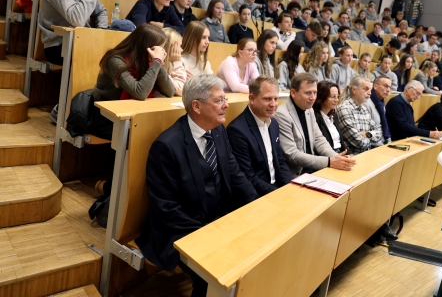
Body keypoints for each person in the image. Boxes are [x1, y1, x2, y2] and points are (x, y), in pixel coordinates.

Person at [135, 75, 258, 297]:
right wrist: (209, 234)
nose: (226, 105)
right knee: (213, 274)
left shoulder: (219, 131)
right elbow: (167, 210)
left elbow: (236, 176)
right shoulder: (166, 146)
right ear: (196, 106)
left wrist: (258, 208)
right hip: (181, 230)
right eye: (219, 100)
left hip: (216, 220)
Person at [89, 22, 174, 139]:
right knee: (143, 136)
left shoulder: (146, 61)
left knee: (162, 130)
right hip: (106, 116)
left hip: (131, 115)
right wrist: (157, 62)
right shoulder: (116, 61)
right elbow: (140, 92)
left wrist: (158, 63)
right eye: (158, 48)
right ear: (147, 47)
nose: (160, 52)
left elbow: (169, 91)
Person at [275, 73, 356, 176]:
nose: (313, 98)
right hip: (296, 173)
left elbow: (319, 140)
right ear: (293, 93)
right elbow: (292, 154)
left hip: (313, 168)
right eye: (308, 93)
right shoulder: (282, 114)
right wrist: (329, 162)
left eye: (315, 92)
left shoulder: (309, 110)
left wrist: (337, 158)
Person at [226, 76, 293, 196]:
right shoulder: (237, 130)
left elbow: (280, 161)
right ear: (252, 98)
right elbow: (248, 177)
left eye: (276, 99)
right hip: (257, 194)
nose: (273, 104)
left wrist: (290, 187)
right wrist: (280, 194)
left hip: (277, 187)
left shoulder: (273, 123)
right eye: (267, 99)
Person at [336, 76, 383, 155]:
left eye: (370, 90)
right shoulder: (344, 108)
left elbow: (380, 132)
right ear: (354, 90)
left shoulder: (364, 109)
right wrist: (372, 138)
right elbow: (359, 142)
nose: (370, 93)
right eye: (366, 89)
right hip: (352, 157)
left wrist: (367, 134)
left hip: (366, 155)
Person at [364, 76, 392, 144]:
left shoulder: (381, 103)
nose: (388, 90)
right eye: (385, 86)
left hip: (382, 141)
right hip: (373, 145)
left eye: (389, 87)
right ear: (375, 86)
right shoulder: (366, 103)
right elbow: (367, 132)